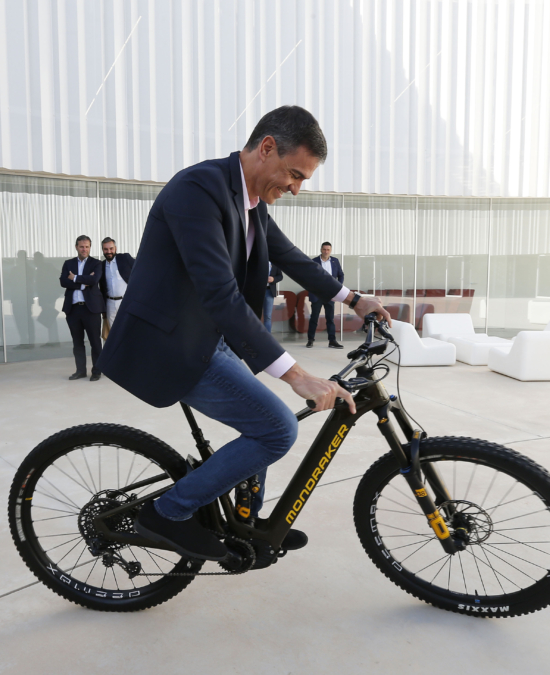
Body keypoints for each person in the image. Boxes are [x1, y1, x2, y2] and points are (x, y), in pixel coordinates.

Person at [98, 106, 390, 561]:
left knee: (261, 421)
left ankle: (247, 525)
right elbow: (221, 294)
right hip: (173, 343)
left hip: (208, 339)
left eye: (303, 180)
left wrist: (353, 300)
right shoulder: (199, 190)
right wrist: (297, 376)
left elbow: (292, 258)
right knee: (275, 429)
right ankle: (167, 514)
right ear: (266, 148)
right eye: (294, 174)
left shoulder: (250, 201)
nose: (295, 188)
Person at [61, 236, 105, 381]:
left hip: (90, 309)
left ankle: (97, 371)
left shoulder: (96, 263)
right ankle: (80, 371)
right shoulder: (68, 263)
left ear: (90, 247)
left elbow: (93, 280)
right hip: (73, 310)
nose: (84, 249)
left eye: (87, 247)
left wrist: (74, 278)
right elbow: (63, 281)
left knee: (95, 342)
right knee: (77, 342)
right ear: (76, 247)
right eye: (81, 247)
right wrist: (82, 282)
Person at [307, 242, 345, 349]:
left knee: (330, 318)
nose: (326, 251)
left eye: (328, 250)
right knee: (314, 318)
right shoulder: (314, 261)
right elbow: (308, 276)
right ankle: (310, 339)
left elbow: (341, 275)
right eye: (324, 249)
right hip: (317, 293)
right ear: (321, 249)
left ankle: (332, 341)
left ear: (331, 250)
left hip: (330, 294)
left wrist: (338, 286)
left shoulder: (335, 261)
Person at [99, 237, 135, 333]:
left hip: (125, 301)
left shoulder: (124, 258)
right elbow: (101, 288)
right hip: (110, 304)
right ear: (102, 250)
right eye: (106, 249)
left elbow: (139, 271)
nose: (109, 251)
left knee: (129, 330)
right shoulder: (101, 265)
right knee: (113, 333)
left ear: (115, 248)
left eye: (111, 248)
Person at [263, 262, 283, 333]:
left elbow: (280, 276)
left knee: (268, 316)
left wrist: (274, 279)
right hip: (257, 291)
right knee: (254, 315)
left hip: (269, 291)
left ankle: (267, 338)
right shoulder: (257, 260)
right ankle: (255, 337)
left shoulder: (275, 263)